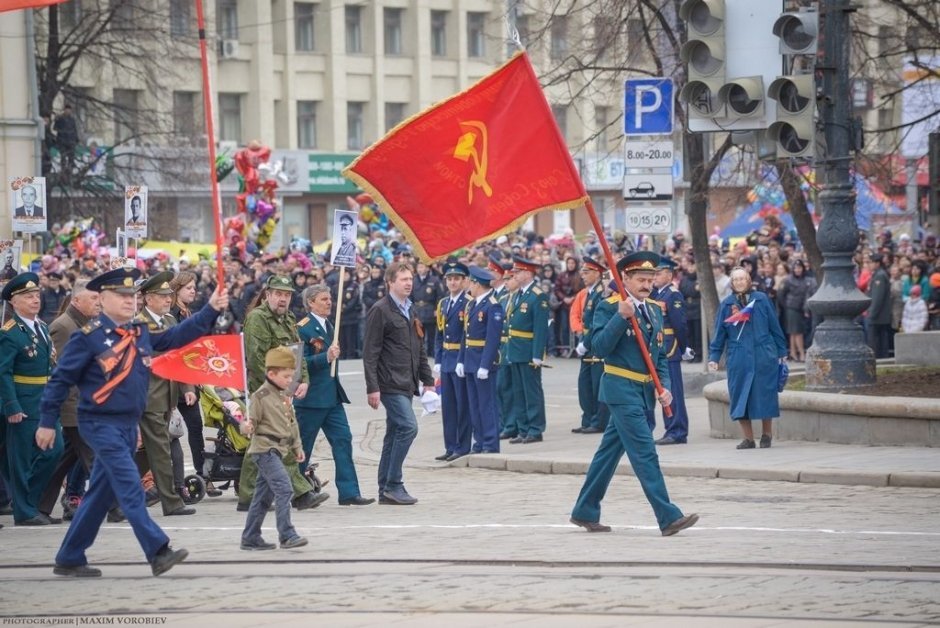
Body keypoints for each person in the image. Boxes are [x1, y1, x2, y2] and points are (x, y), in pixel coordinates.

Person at [35, 267, 229, 577]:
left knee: (100, 494)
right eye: (121, 295)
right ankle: (158, 550)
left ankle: (70, 556)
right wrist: (46, 421)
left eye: (131, 295)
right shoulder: (88, 338)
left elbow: (174, 337)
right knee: (130, 487)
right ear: (102, 298)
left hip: (128, 424)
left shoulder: (137, 333)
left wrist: (210, 310)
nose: (129, 300)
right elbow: (59, 381)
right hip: (99, 424)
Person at [569, 251, 699, 536]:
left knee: (608, 454)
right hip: (619, 389)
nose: (646, 285)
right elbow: (599, 347)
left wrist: (663, 387)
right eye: (640, 279)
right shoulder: (609, 307)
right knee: (645, 452)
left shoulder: (653, 309)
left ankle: (584, 510)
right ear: (624, 278)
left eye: (650, 280)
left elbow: (659, 355)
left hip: (643, 391)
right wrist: (620, 318)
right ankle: (668, 516)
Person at [38, 279, 125, 523]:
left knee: (64, 460)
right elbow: (66, 373)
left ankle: (39, 504)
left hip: (85, 406)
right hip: (75, 407)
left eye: (99, 299)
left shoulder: (88, 324)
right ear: (77, 300)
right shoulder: (64, 327)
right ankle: (114, 507)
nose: (98, 303)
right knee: (98, 458)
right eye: (93, 299)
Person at [239, 275, 327, 512]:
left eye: (287, 295)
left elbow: (297, 354)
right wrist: (280, 388)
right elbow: (257, 360)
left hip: (283, 388)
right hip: (264, 390)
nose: (283, 299)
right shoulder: (257, 319)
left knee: (263, 442)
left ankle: (248, 495)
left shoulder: (288, 319)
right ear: (267, 295)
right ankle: (300, 494)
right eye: (278, 294)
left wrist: (303, 380)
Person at [362, 261, 435, 505]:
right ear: (390, 282)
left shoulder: (410, 309)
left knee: (394, 433)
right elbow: (370, 352)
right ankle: (394, 483)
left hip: (407, 381)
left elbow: (419, 347)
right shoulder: (380, 310)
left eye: (410, 279)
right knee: (408, 427)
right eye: (403, 279)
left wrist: (428, 379)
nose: (408, 283)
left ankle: (385, 488)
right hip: (389, 382)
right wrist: (372, 387)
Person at [295, 284, 373, 506]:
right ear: (310, 303)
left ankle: (349, 492)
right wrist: (325, 358)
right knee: (303, 448)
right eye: (323, 299)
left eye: (330, 298)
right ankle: (297, 492)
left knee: (343, 441)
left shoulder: (331, 325)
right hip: (311, 400)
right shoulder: (302, 328)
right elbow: (298, 363)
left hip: (332, 398)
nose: (329, 302)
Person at [0, 273, 63, 525]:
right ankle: (25, 512)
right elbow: (3, 371)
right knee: (22, 457)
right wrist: (11, 405)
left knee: (54, 450)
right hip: (23, 402)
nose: (35, 300)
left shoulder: (43, 328)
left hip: (44, 400)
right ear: (14, 302)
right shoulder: (10, 333)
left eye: (36, 295)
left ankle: (32, 503)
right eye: (28, 296)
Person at [135, 271, 196, 516]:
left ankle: (111, 498)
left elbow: (179, 358)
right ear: (148, 299)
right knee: (160, 449)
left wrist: (187, 388)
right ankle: (171, 502)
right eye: (161, 296)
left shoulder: (170, 321)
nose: (167, 299)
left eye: (169, 295)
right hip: (148, 396)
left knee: (148, 454)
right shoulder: (138, 324)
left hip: (167, 396)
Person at [708, 266, 788, 449]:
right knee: (739, 396)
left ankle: (767, 434)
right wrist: (714, 356)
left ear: (749, 280)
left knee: (765, 394)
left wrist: (781, 351)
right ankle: (748, 438)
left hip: (763, 354)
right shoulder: (727, 304)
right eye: (735, 280)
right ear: (732, 283)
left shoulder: (761, 300)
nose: (739, 282)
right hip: (739, 357)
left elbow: (774, 326)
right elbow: (719, 334)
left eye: (742, 279)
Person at [239, 347, 310, 551]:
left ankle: (250, 537)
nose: (290, 380)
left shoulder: (283, 395)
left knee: (263, 497)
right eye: (286, 376)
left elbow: (292, 422)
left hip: (279, 449)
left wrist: (297, 446)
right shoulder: (259, 396)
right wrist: (246, 427)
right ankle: (287, 534)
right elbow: (249, 422)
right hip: (264, 450)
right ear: (271, 374)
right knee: (284, 488)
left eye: (291, 376)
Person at [168, 271, 220, 497]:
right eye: (188, 287)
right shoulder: (171, 314)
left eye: (194, 287)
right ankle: (164, 481)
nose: (193, 291)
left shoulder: (188, 313)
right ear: (177, 289)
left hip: (190, 380)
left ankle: (203, 476)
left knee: (196, 429)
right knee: (168, 434)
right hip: (174, 382)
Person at [458, 266, 505, 454]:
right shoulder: (472, 304)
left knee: (487, 404)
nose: (469, 285)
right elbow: (465, 335)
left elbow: (493, 338)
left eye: (470, 282)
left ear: (477, 284)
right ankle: (478, 442)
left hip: (483, 362)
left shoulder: (493, 305)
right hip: (470, 360)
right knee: (474, 404)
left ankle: (490, 442)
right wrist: (461, 359)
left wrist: (485, 364)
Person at [504, 256, 549, 444]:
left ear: (528, 273)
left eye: (519, 271)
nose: (515, 274)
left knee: (532, 392)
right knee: (519, 392)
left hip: (528, 350)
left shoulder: (538, 295)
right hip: (515, 349)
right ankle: (523, 429)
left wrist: (537, 355)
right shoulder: (518, 294)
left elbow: (540, 328)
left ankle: (535, 429)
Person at [433, 261, 471, 461]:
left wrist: (462, 359)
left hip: (459, 360)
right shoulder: (443, 303)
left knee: (462, 405)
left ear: (464, 281)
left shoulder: (468, 302)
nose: (453, 282)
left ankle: (462, 446)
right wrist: (438, 358)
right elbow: (439, 334)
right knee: (448, 406)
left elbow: (467, 334)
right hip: (447, 359)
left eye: (457, 278)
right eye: (449, 279)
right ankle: (450, 446)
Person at [652, 258, 691, 445]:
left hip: (670, 347)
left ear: (669, 274)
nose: (655, 277)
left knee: (672, 389)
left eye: (658, 273)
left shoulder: (672, 295)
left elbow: (679, 324)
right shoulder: (658, 294)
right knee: (664, 390)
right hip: (660, 346)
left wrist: (683, 348)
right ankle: (671, 428)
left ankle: (678, 430)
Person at [573, 257, 608, 435]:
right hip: (587, 343)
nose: (583, 275)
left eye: (586, 272)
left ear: (597, 273)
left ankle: (599, 421)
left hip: (594, 344)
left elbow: (596, 323)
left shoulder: (601, 293)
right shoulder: (590, 292)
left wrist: (585, 344)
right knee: (585, 384)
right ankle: (588, 418)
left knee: (596, 384)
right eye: (582, 272)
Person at [777, 260, 817, 362]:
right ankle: (801, 353)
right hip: (792, 308)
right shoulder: (788, 280)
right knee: (797, 332)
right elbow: (780, 295)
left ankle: (793, 352)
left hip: (800, 308)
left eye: (799, 268)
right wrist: (786, 305)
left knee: (794, 332)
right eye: (796, 268)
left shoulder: (807, 280)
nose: (797, 270)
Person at [412, 261, 444, 356]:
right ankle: (420, 353)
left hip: (430, 310)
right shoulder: (413, 280)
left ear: (428, 268)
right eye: (419, 267)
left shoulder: (434, 280)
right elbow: (409, 297)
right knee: (418, 334)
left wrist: (437, 309)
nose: (421, 269)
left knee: (431, 335)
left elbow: (440, 296)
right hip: (417, 309)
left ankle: (431, 353)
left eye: (423, 267)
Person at [865, 253, 892, 359]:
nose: (869, 265)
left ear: (877, 263)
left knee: (876, 340)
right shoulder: (877, 274)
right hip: (879, 315)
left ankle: (878, 358)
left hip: (878, 315)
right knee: (880, 338)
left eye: (871, 262)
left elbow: (877, 298)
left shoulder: (879, 276)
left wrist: (872, 313)